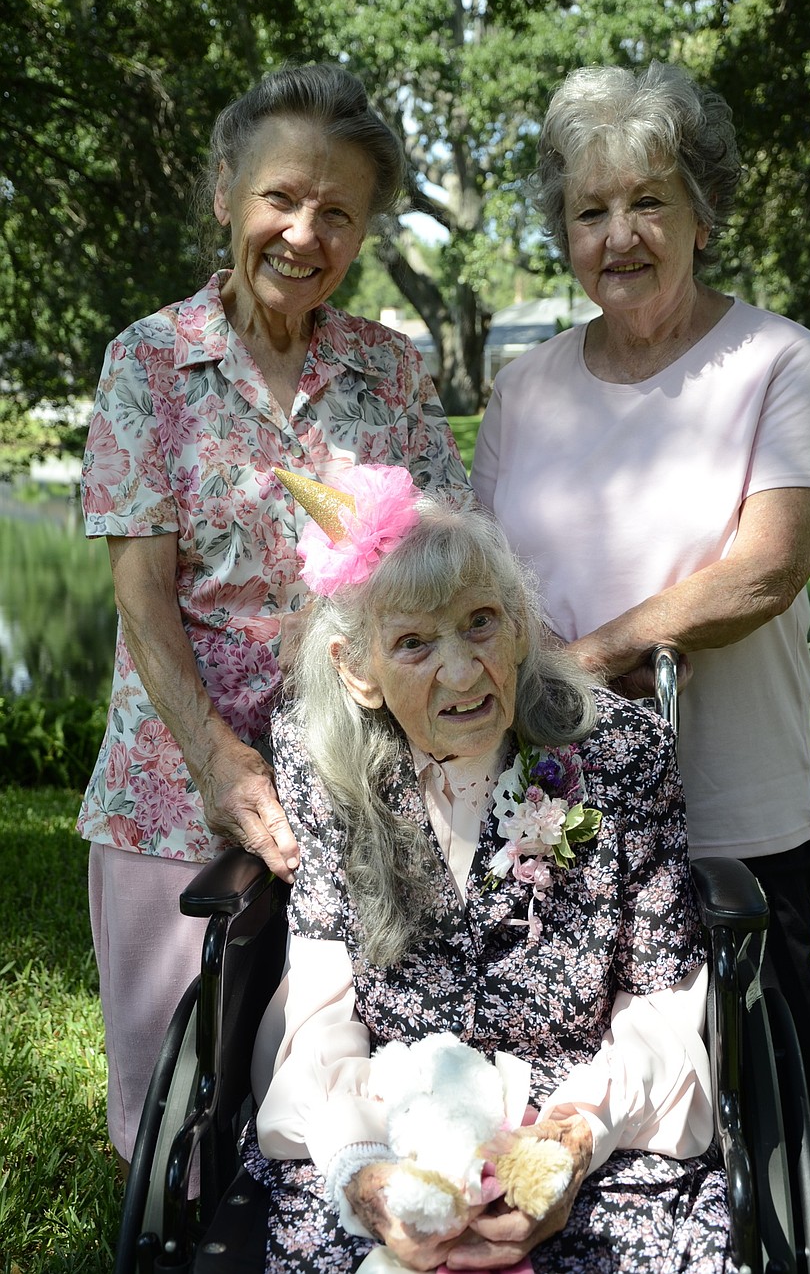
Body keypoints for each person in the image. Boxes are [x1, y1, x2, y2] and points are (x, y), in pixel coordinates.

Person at [78, 62, 470, 1177]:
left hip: (358, 774)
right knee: (167, 1112)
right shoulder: (147, 364)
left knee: (338, 1083)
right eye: (280, 198)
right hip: (174, 773)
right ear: (224, 196)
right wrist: (219, 762)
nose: (305, 233)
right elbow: (142, 592)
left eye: (337, 212)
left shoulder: (388, 369)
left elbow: (437, 559)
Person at [470, 59, 810, 1208]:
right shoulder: (522, 387)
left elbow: (770, 565)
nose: (619, 234)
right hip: (556, 797)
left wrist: (586, 662)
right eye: (590, 210)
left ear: (700, 209)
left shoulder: (776, 359)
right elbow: (479, 582)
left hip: (729, 794)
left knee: (760, 1071)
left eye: (647, 201)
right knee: (584, 1063)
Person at [242, 463, 731, 1272]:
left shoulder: (620, 754)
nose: (463, 672)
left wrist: (569, 1145)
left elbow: (660, 1011)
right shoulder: (321, 760)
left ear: (518, 624)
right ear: (357, 669)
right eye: (413, 643)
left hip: (589, 1145)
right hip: (389, 1125)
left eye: (480, 623)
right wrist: (368, 1178)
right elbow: (323, 1006)